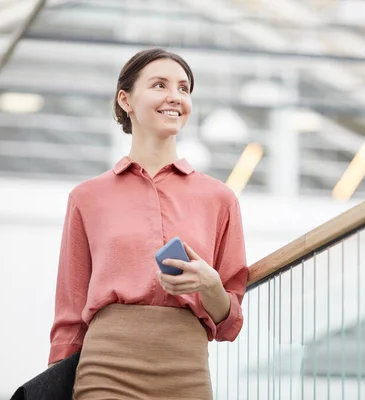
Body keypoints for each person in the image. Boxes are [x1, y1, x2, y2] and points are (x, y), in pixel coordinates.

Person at [48, 48, 249, 399]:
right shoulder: (87, 197)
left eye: (184, 88)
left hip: (184, 370)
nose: (175, 96)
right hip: (105, 370)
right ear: (125, 99)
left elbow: (228, 323)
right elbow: (69, 314)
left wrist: (211, 285)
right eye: (160, 85)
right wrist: (53, 382)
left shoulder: (219, 199)